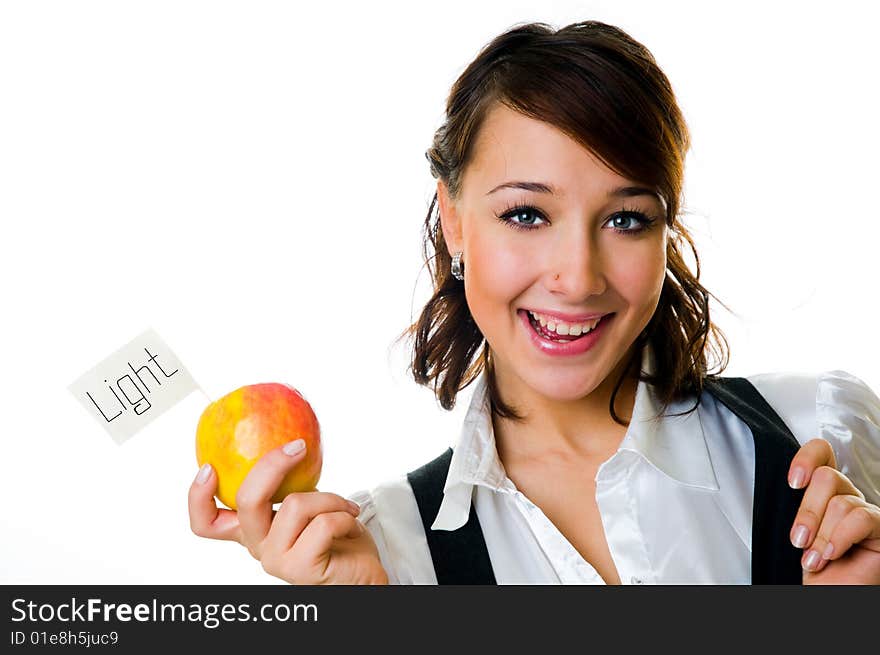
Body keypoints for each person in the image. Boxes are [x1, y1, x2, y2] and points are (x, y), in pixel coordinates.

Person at [188, 20, 880, 584]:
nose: (577, 278)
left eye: (627, 218)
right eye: (526, 214)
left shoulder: (821, 431)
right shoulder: (384, 552)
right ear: (454, 220)